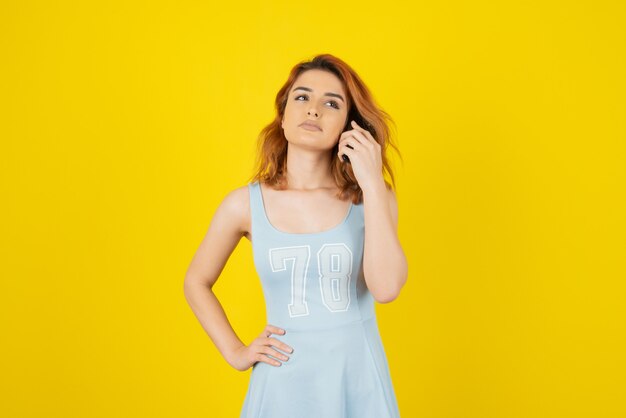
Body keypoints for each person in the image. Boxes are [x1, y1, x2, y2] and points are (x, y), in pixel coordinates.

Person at [184, 53, 408, 418]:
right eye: (302, 97)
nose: (314, 110)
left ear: (349, 126)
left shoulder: (371, 197)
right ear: (283, 115)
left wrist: (370, 182)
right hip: (282, 384)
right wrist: (237, 352)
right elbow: (196, 280)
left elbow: (386, 289)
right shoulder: (243, 205)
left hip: (357, 381)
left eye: (331, 103)